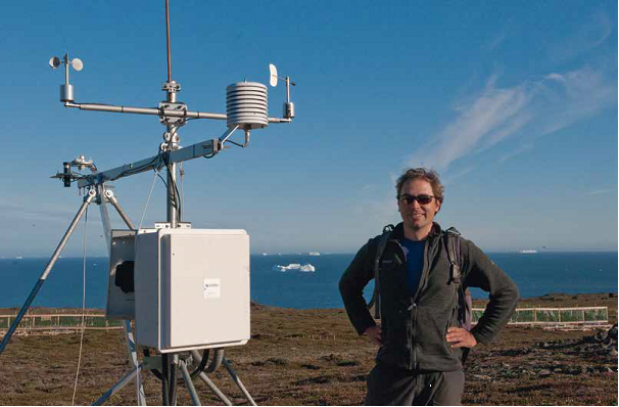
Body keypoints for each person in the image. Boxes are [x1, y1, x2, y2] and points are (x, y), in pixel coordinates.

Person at [339, 168, 519, 406]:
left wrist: (477, 336)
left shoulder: (458, 250)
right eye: (408, 198)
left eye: (424, 199)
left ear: (437, 204)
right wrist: (364, 326)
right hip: (392, 370)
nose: (416, 205)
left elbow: (507, 292)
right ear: (399, 204)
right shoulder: (379, 248)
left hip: (443, 372)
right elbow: (348, 285)